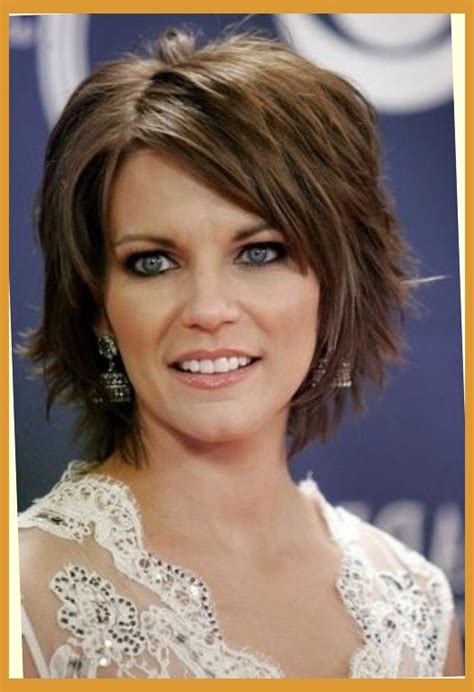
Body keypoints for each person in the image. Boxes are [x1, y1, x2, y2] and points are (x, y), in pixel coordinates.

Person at [17, 27, 463, 678]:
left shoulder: (417, 605)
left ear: (334, 285)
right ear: (97, 307)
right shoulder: (23, 598)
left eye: (259, 253)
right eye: (153, 262)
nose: (208, 308)